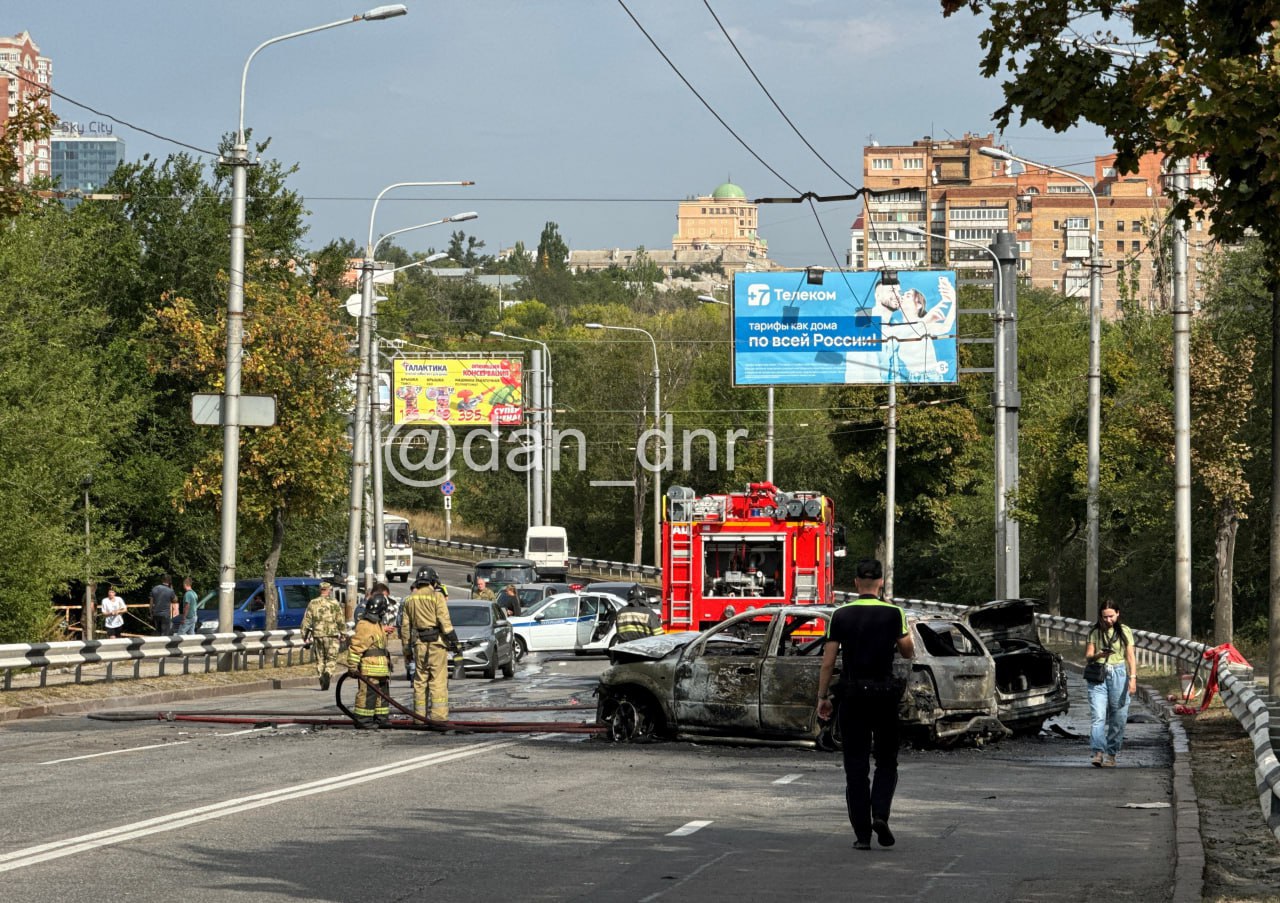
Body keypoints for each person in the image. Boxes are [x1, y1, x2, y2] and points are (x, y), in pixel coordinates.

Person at [816, 558, 915, 851]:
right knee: (886, 761)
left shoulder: (840, 615)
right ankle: (880, 814)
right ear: (881, 583)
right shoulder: (895, 613)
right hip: (884, 698)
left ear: (857, 583)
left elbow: (828, 662)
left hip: (852, 698)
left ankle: (862, 836)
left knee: (856, 767)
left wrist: (823, 697)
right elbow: (908, 652)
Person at [1084, 602, 1138, 768]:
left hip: (1119, 673)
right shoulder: (1094, 631)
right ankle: (1098, 752)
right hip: (1098, 674)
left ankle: (1112, 753)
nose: (1108, 620)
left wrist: (1133, 678)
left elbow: (1130, 656)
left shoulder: (1125, 631)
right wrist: (1099, 654)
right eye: (1105, 616)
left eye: (1111, 616)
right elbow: (1088, 656)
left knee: (1118, 715)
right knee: (1098, 715)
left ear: (1117, 614)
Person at [399, 575, 459, 723]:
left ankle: (419, 718)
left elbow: (405, 628)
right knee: (437, 681)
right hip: (436, 644)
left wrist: (406, 651)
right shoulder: (437, 596)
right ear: (433, 582)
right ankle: (438, 717)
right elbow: (444, 621)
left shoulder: (409, 599)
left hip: (419, 644)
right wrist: (455, 641)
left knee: (420, 681)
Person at [347, 593, 393, 728]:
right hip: (370, 668)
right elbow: (356, 647)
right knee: (367, 696)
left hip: (381, 668)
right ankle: (363, 721)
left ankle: (381, 719)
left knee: (382, 697)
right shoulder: (365, 624)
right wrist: (352, 666)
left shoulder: (377, 624)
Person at [301, 582, 347, 691]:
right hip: (332, 634)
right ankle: (328, 672)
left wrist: (304, 635)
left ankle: (322, 677)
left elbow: (306, 620)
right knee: (332, 657)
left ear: (320, 589)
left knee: (320, 658)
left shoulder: (313, 603)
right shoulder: (334, 603)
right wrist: (343, 633)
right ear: (329, 590)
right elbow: (340, 619)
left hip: (318, 634)